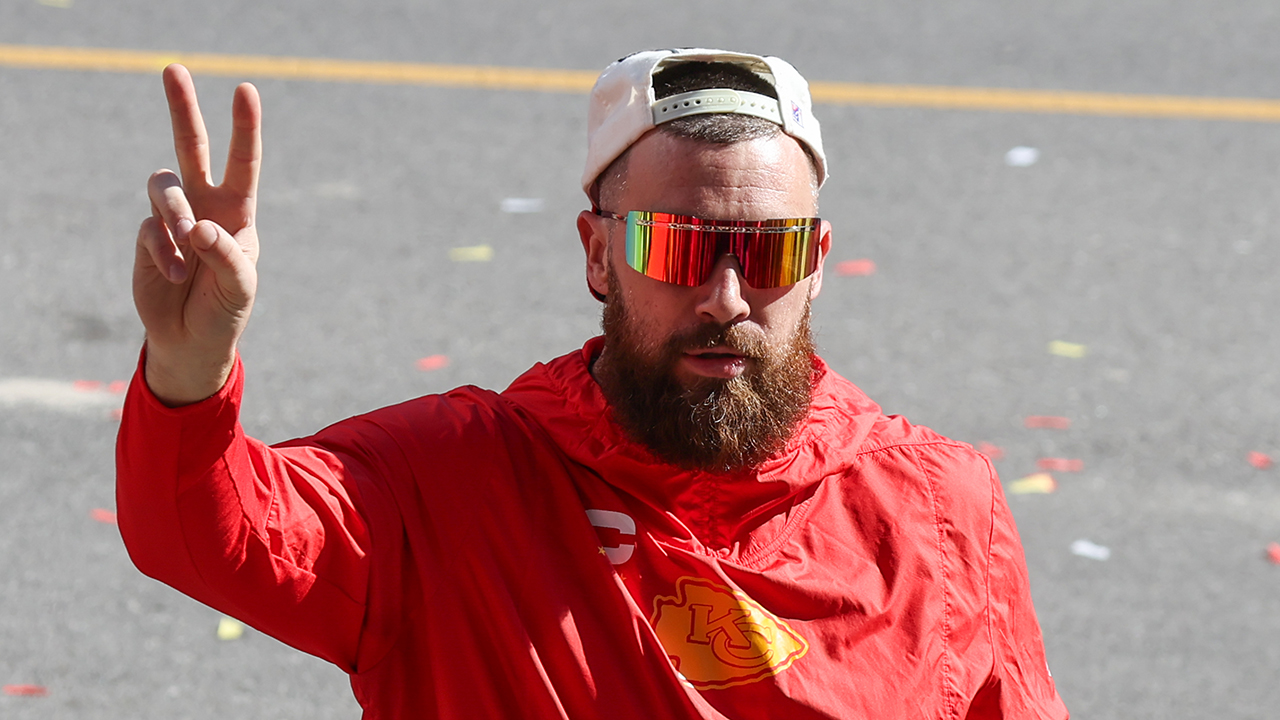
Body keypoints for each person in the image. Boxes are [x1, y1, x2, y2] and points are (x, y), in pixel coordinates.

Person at [117, 48, 1069, 719]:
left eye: (768, 251)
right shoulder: (450, 487)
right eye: (676, 245)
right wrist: (191, 365)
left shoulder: (935, 507)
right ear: (598, 255)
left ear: (818, 260)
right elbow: (201, 530)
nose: (726, 297)